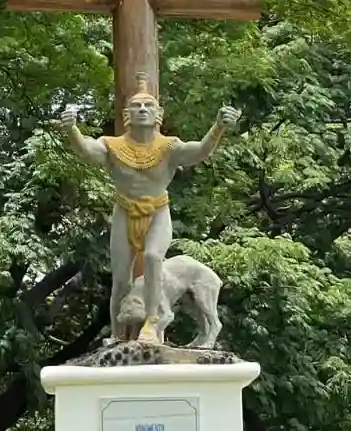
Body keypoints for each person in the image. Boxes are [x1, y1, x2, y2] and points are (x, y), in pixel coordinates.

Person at [58, 75, 240, 343]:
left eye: (148, 105)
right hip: (124, 211)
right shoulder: (113, 145)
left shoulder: (169, 147)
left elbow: (200, 151)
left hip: (157, 210)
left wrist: (218, 128)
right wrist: (72, 130)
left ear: (158, 113)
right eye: (136, 105)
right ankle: (118, 334)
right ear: (126, 113)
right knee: (120, 278)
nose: (142, 109)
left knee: (155, 258)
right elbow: (88, 150)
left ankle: (152, 323)